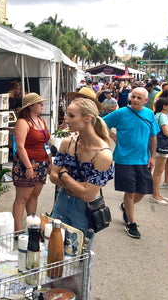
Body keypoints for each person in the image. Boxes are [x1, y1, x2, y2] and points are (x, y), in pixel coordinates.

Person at [50, 98, 113, 234]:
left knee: (78, 253)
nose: (66, 119)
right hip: (61, 203)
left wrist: (65, 176)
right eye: (67, 114)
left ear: (87, 118)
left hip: (84, 211)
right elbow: (53, 176)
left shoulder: (103, 154)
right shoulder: (67, 142)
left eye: (71, 116)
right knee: (53, 249)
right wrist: (79, 187)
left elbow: (88, 195)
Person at [103, 87, 159, 239]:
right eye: (133, 96)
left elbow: (153, 136)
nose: (135, 100)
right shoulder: (121, 113)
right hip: (124, 158)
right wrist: (113, 136)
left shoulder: (149, 114)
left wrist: (153, 156)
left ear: (146, 101)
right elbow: (101, 123)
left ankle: (126, 207)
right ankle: (131, 223)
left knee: (143, 190)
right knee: (130, 191)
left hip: (143, 159)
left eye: (139, 98)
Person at [11, 93, 51, 231]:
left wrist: (50, 161)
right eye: (39, 103)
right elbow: (20, 146)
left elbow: (46, 143)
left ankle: (31, 225)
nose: (42, 105)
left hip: (41, 163)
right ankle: (17, 230)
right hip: (27, 163)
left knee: (34, 196)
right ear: (31, 106)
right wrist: (28, 166)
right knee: (22, 198)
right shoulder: (23, 122)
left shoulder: (40, 120)